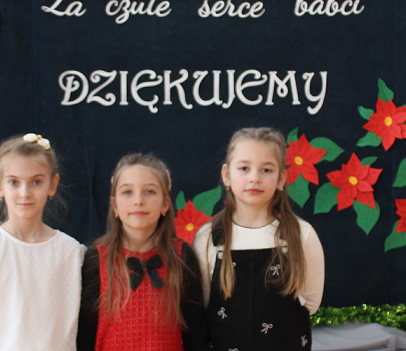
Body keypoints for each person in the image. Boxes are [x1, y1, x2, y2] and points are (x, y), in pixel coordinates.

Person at [193, 128, 325, 351]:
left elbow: (310, 302)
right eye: (244, 168)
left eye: (266, 170)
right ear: (226, 175)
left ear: (281, 178)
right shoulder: (208, 238)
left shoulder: (302, 235)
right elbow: (204, 302)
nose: (254, 178)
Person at [0, 134, 85, 351]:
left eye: (36, 182)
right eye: (14, 182)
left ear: (52, 184)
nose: (24, 193)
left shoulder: (72, 253)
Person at [78, 154, 204, 351]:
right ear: (114, 205)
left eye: (149, 191)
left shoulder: (182, 256)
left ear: (165, 204)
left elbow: (196, 334)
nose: (138, 200)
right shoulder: (97, 259)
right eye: (127, 192)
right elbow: (85, 335)